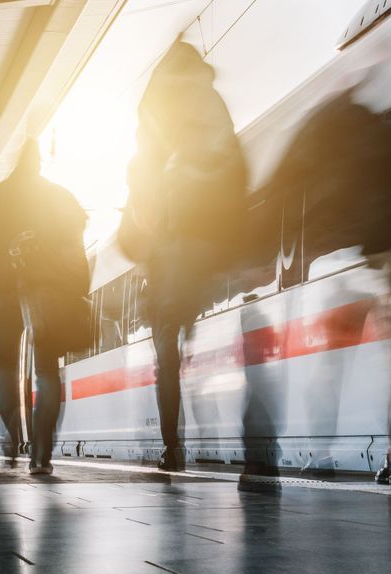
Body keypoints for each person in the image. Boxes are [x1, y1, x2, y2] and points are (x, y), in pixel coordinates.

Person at [266, 90, 391, 486]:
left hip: (381, 257)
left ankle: (332, 455)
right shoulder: (380, 133)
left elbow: (300, 191)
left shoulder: (333, 149)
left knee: (343, 362)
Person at [120, 40, 248, 472]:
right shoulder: (212, 105)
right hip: (210, 247)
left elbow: (141, 185)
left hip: (169, 255)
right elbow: (236, 171)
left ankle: (172, 447)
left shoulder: (153, 112)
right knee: (222, 339)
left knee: (166, 357)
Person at [0, 139, 90, 474]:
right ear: (39, 162)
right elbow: (75, 241)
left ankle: (14, 430)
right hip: (46, 288)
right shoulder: (60, 196)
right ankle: (41, 455)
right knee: (47, 369)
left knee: (0, 364)